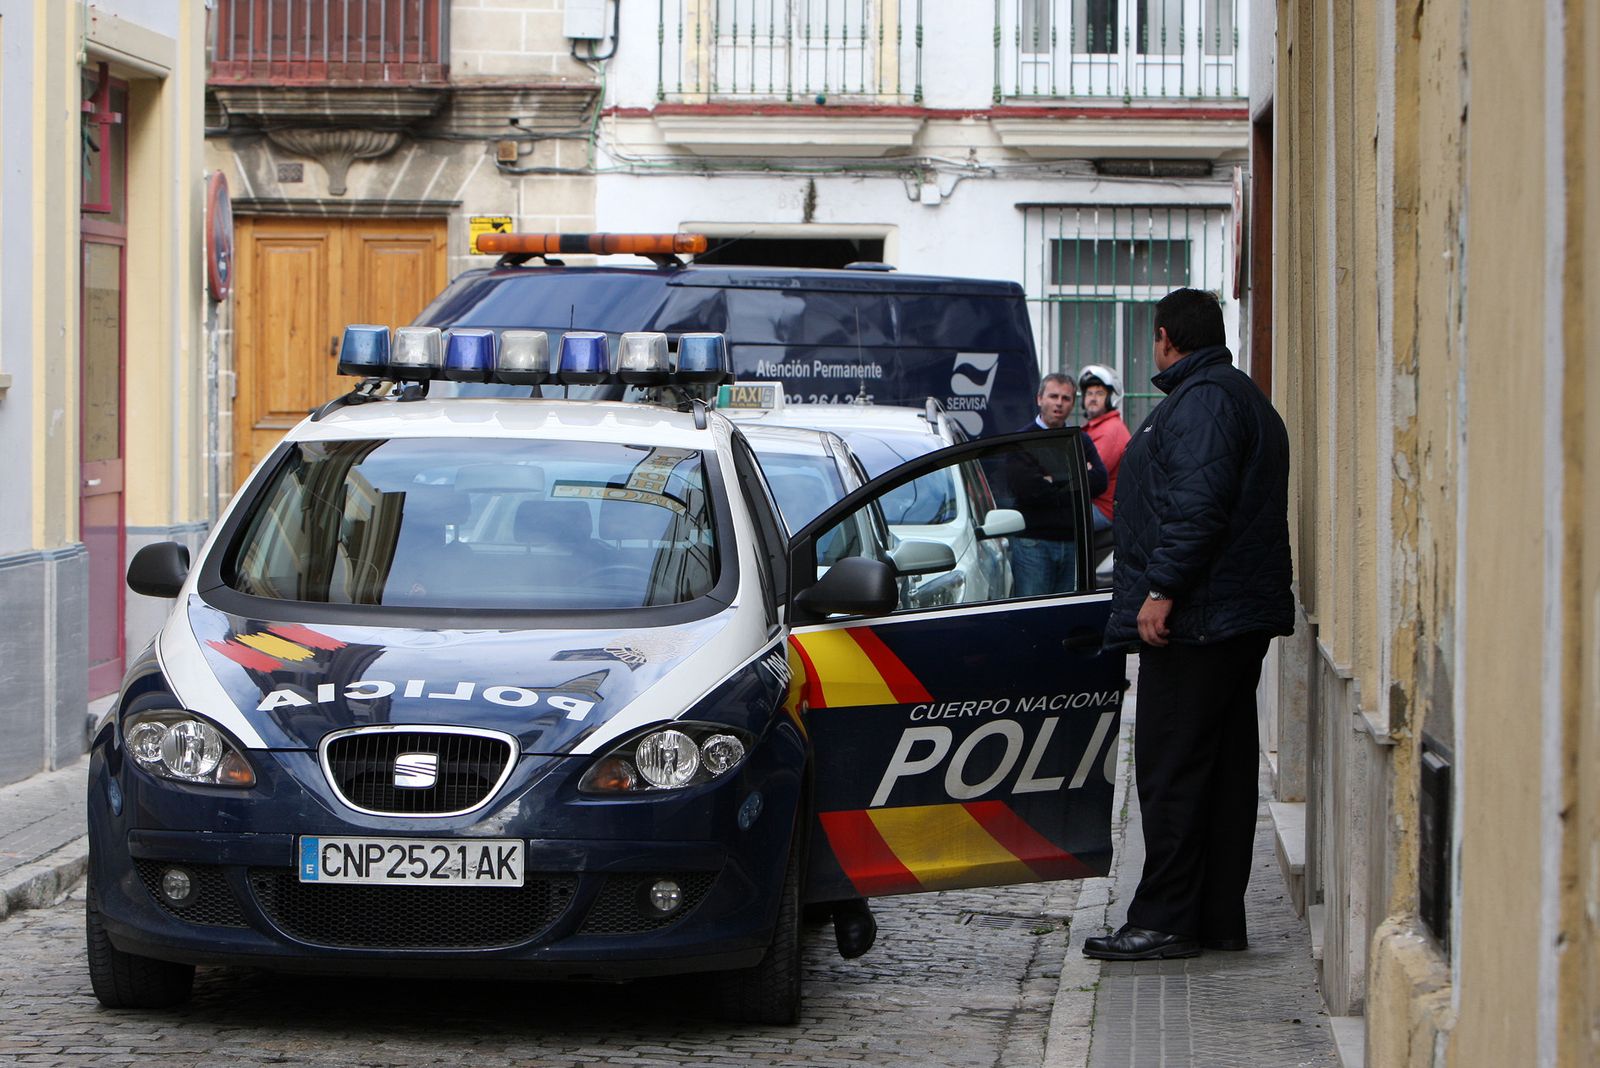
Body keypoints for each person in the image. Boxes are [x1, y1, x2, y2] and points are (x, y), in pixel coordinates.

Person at [1083, 288, 1293, 962]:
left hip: (1199, 619)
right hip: (1226, 617)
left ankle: (1166, 919)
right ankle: (1213, 919)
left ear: (1166, 336)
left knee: (1172, 770)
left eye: (1154, 336)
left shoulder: (1204, 401)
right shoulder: (1232, 394)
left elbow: (1198, 508)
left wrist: (1162, 590)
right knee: (1221, 772)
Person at [1007, 374, 1107, 596]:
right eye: (1053, 396)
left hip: (1073, 543)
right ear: (1039, 399)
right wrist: (1078, 477)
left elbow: (1100, 481)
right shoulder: (1021, 440)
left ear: (1073, 403)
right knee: (1032, 611)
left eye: (1066, 398)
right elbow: (1029, 491)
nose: (1059, 403)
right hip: (1034, 543)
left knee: (1066, 612)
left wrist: (1053, 480)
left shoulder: (1080, 439)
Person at [1078, 364, 1131, 522]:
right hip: (1091, 503)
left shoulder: (1110, 430)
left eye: (1100, 393)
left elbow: (1087, 477)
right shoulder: (1096, 427)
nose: (1093, 398)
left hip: (1102, 508)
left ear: (1110, 398)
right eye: (1089, 393)